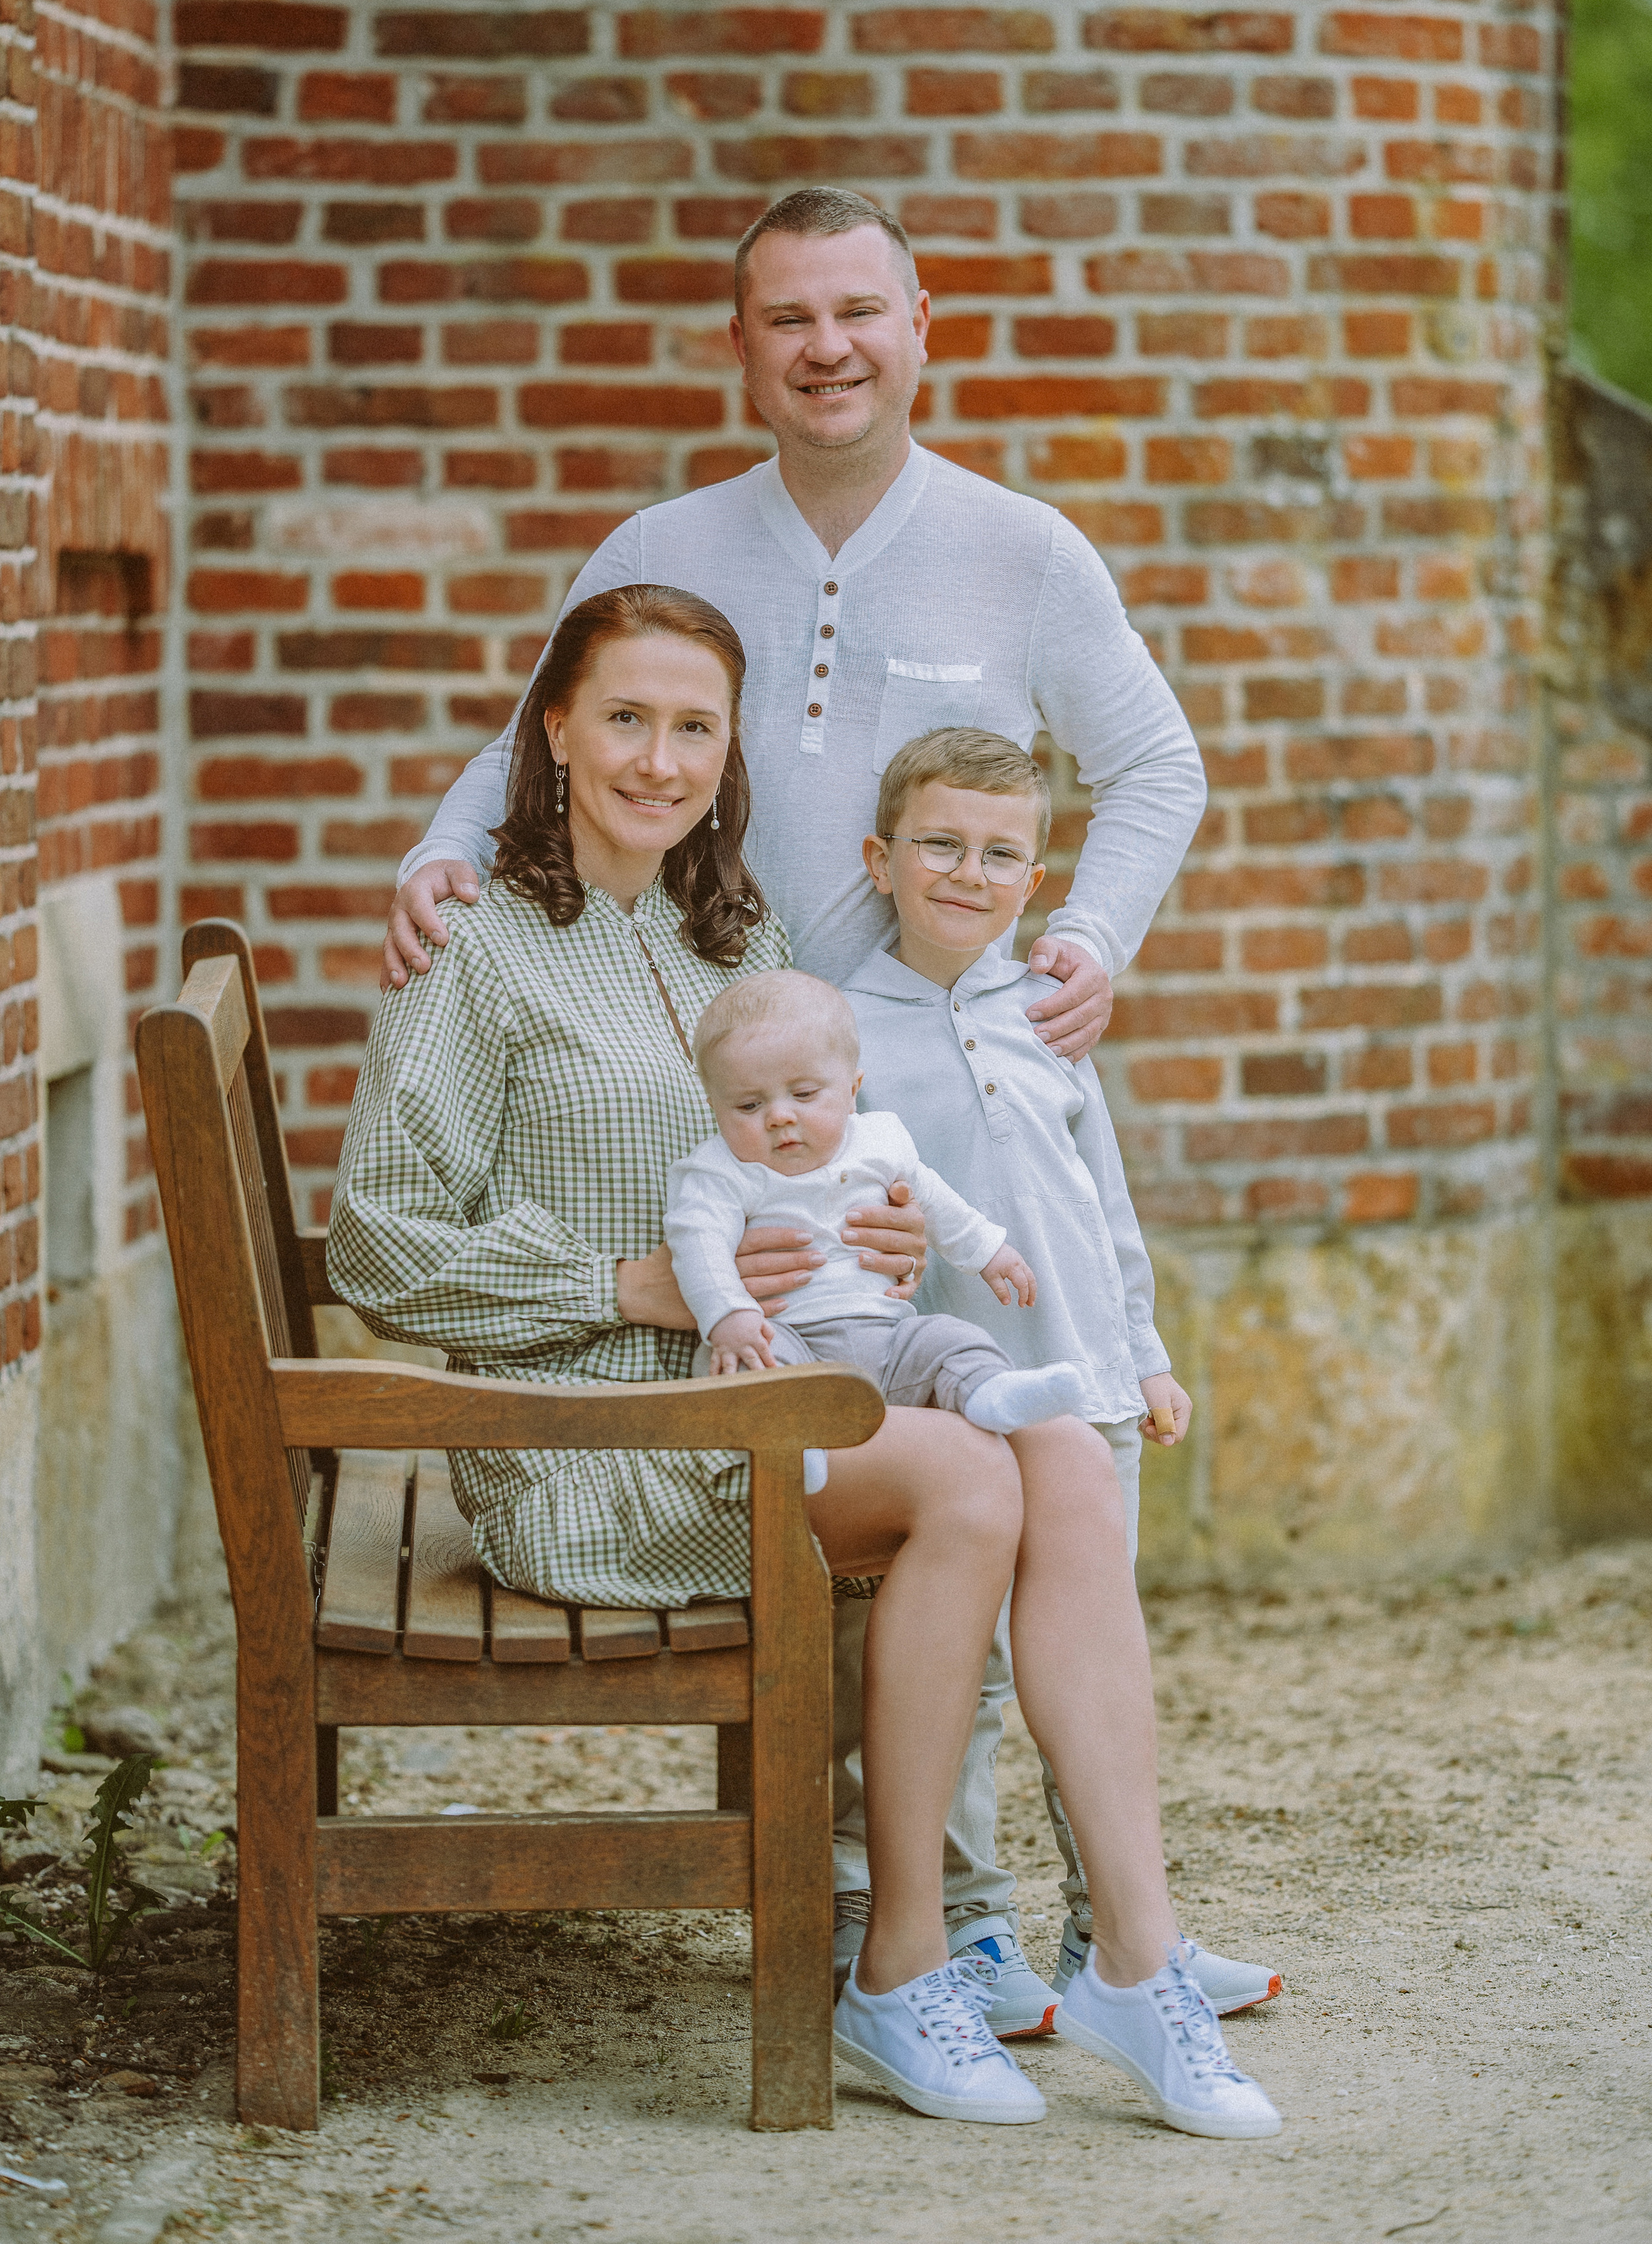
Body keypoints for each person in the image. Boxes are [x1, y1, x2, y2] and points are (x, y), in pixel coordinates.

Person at [376, 182, 1215, 2025]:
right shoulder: (665, 541)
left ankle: (1087, 1911)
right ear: (740, 344)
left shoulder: (1022, 550)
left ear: (925, 326)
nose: (827, 347)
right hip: (770, 1122)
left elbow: (1155, 764)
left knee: (1051, 1470)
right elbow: (536, 733)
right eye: (787, 318)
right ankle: (933, 1909)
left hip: (961, 1092)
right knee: (918, 1483)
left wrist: (1092, 930)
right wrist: (445, 859)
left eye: (861, 311)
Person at [331, 582, 1283, 2136]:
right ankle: (903, 1959)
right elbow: (375, 1240)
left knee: (1058, 1455)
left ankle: (1129, 1946)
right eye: (623, 717)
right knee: (975, 1478)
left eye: (692, 725)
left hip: (759, 1397)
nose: (656, 757)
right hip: (592, 1449)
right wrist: (629, 1281)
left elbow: (810, 1171)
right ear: (552, 729)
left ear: (727, 750)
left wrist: (876, 1241)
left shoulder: (736, 936)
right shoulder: (475, 949)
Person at [844, 726, 1282, 2017]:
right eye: (938, 843)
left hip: (1085, 1387)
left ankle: (1117, 1928)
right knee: (965, 1672)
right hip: (960, 1406)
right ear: (880, 857)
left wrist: (1138, 1351)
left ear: (1036, 879)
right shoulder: (843, 1027)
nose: (966, 872)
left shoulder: (1045, 1013)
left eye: (998, 852)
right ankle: (974, 1930)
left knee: (1095, 1657)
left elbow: (1104, 1205)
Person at [667, 967, 1097, 1454]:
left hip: (891, 1342)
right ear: (715, 1107)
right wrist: (728, 1315)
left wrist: (987, 1249)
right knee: (745, 1366)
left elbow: (933, 1198)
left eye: (804, 1094)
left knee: (949, 1338)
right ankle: (789, 1452)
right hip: (789, 1339)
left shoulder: (880, 1139)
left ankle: (990, 1392)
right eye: (748, 1105)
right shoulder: (720, 1172)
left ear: (853, 1087)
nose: (780, 1116)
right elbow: (698, 1245)